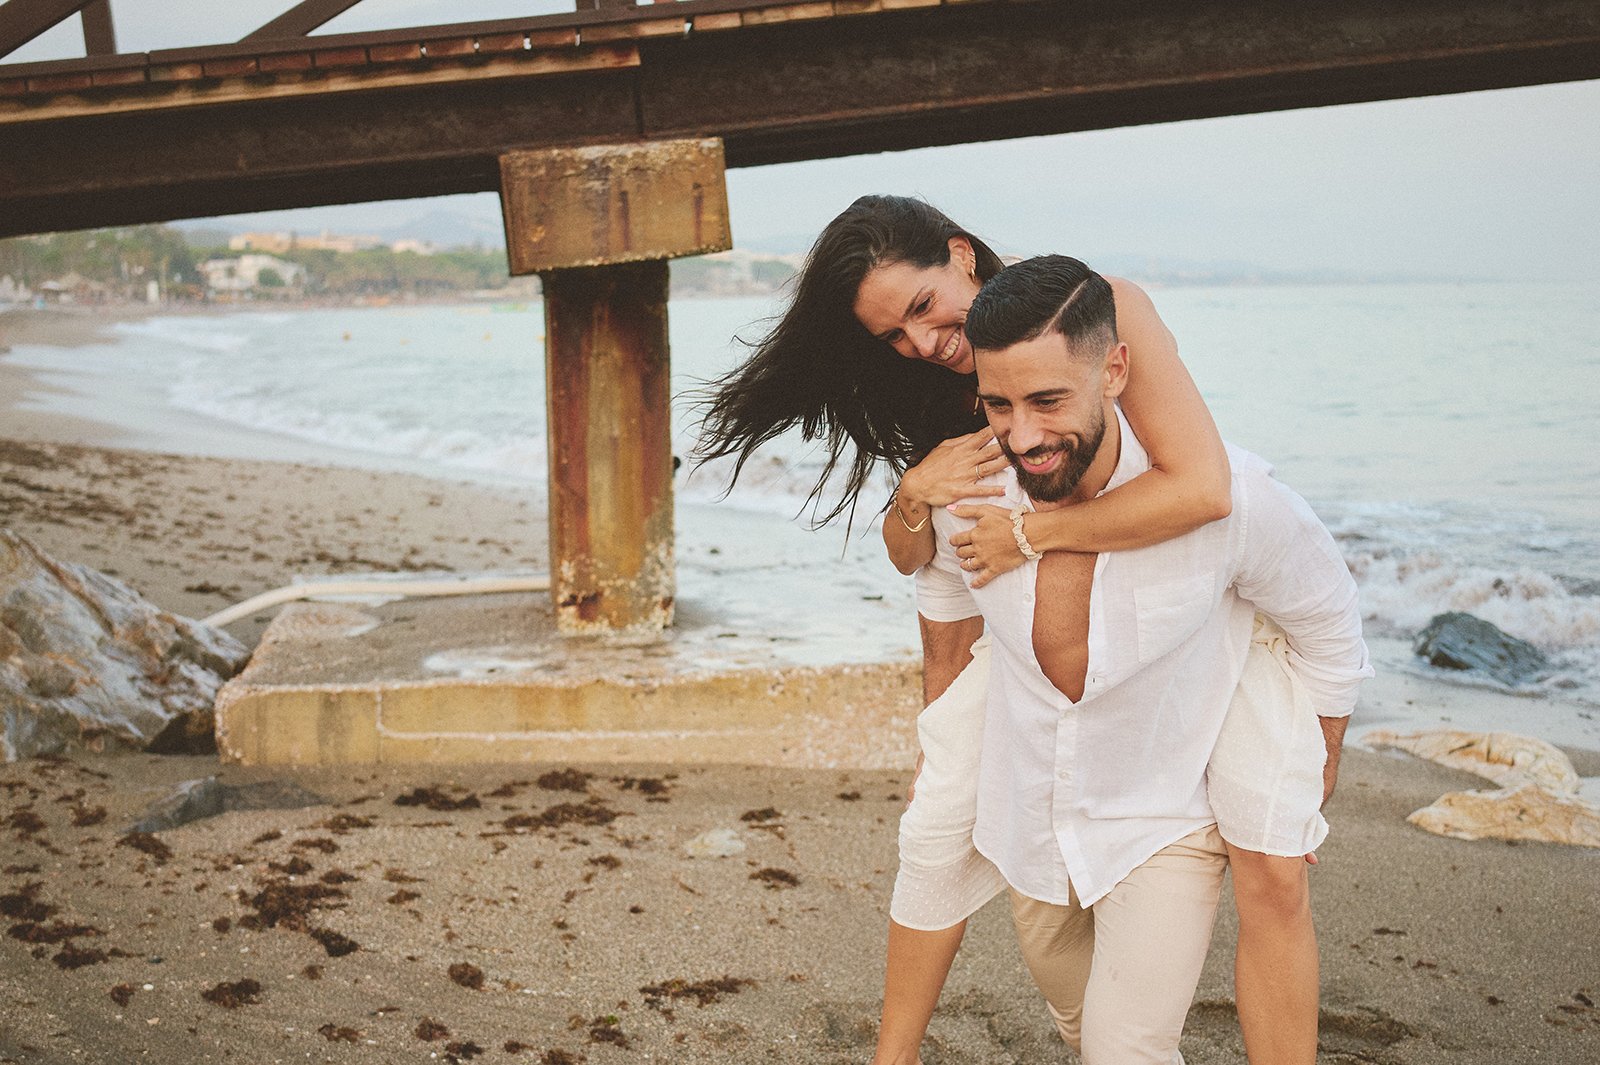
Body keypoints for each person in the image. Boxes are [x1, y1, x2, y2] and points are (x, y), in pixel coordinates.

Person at [693, 196, 1328, 1064]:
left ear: (960, 254)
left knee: (1270, 860)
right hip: (1034, 627)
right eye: (893, 335)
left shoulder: (1097, 312)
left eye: (922, 306)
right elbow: (933, 573)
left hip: (1194, 604)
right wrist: (939, 723)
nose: (920, 343)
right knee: (939, 825)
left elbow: (1203, 490)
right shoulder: (936, 391)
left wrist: (1032, 533)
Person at [915, 254, 1370, 1062]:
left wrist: (1319, 748)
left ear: (1116, 369)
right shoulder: (979, 488)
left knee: (1122, 1048)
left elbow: (1326, 613)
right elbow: (940, 585)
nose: (1023, 434)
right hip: (1033, 816)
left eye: (1048, 399)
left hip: (1164, 812)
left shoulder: (1229, 504)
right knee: (1081, 1022)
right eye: (999, 403)